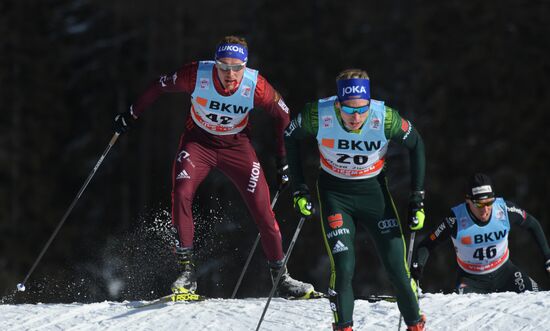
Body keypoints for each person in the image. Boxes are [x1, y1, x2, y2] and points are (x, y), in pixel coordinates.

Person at [114, 35, 316, 299]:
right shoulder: (197, 74)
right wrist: (131, 114)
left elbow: (283, 115)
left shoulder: (256, 86)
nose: (230, 74)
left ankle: (282, 278)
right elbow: (160, 85)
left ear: (245, 66)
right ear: (215, 63)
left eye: (236, 68)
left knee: (263, 209)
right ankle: (187, 273)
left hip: (237, 149)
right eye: (223, 67)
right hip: (198, 145)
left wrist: (282, 160)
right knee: (182, 192)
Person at [284, 68, 427, 331]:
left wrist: (417, 199)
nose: (356, 116)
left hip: (374, 194)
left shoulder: (385, 118)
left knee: (397, 267)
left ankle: (416, 325)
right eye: (348, 110)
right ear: (337, 104)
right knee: (344, 266)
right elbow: (290, 137)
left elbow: (416, 144)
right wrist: (299, 189)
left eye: (362, 109)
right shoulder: (317, 115)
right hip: (335, 195)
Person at [412, 173, 550, 294]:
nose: (485, 210)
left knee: (539, 299)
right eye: (479, 204)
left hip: (505, 273)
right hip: (471, 279)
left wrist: (547, 256)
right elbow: (428, 243)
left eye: (489, 203)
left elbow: (533, 224)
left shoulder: (504, 210)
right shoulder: (455, 219)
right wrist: (417, 266)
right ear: (468, 201)